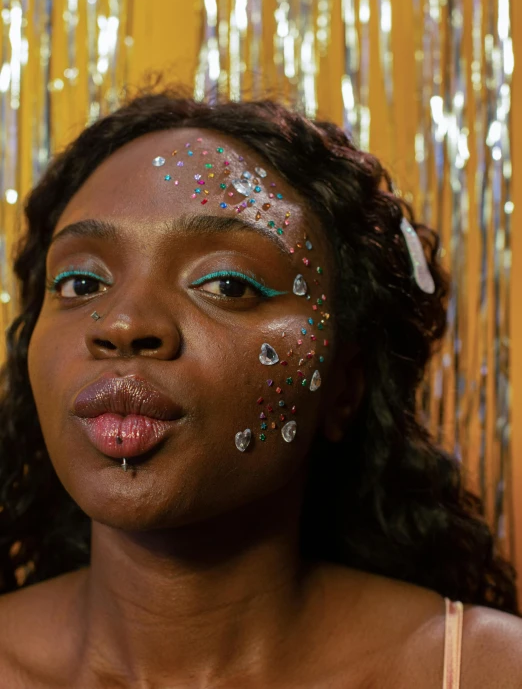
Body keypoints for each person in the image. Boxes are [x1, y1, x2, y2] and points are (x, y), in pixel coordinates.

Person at [0, 89, 520, 688]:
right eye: (80, 282)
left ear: (346, 384)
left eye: (226, 284)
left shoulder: (486, 671)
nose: (123, 324)